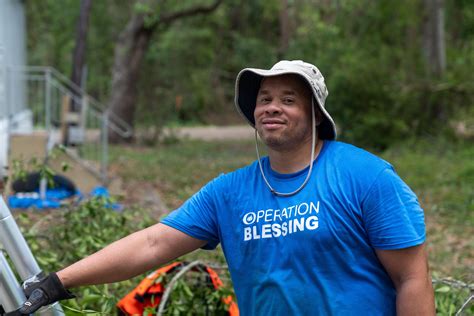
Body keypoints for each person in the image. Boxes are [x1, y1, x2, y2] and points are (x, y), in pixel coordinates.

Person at [20, 60, 435, 315]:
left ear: (314, 114)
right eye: (264, 98)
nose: (272, 106)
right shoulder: (230, 192)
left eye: (288, 99)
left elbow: (412, 278)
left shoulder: (367, 176)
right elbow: (153, 243)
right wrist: (58, 281)